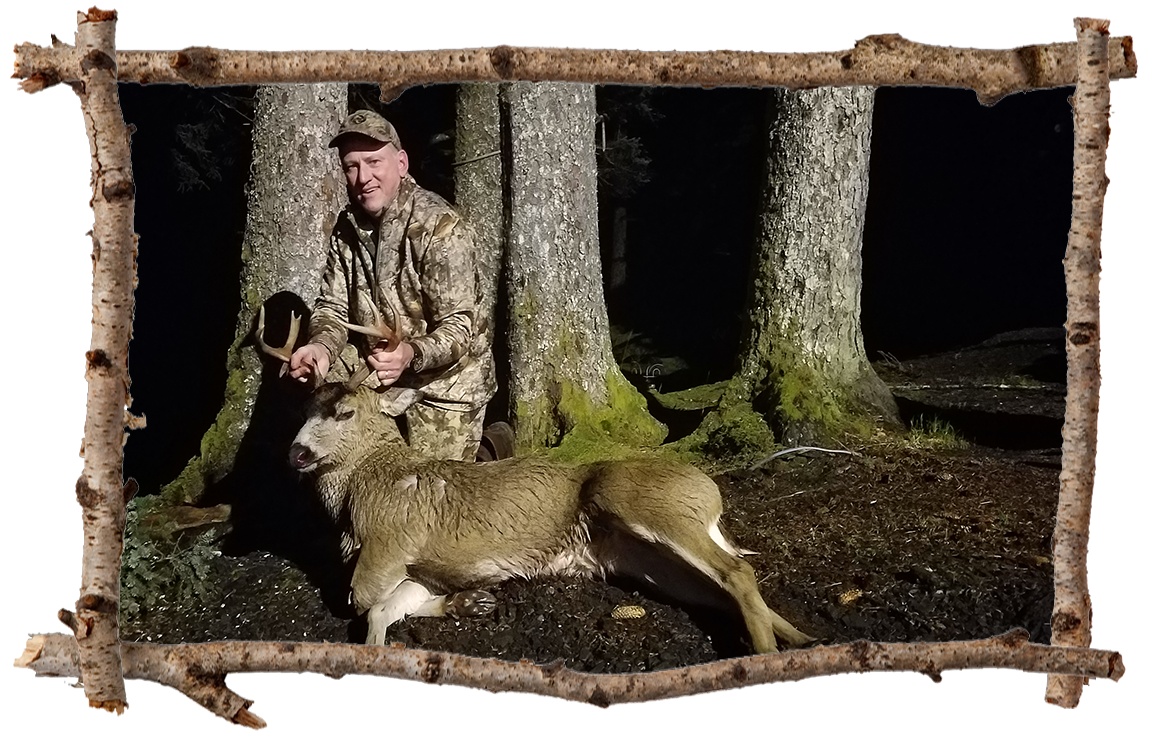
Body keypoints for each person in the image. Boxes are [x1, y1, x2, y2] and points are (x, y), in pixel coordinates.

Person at [288, 109, 496, 462]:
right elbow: (333, 307)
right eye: (351, 166)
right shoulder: (347, 229)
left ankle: (489, 450)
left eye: (373, 162)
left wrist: (409, 355)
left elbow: (460, 329)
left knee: (432, 496)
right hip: (377, 373)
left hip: (445, 385)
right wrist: (321, 347)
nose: (362, 177)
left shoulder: (440, 226)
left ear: (401, 163)